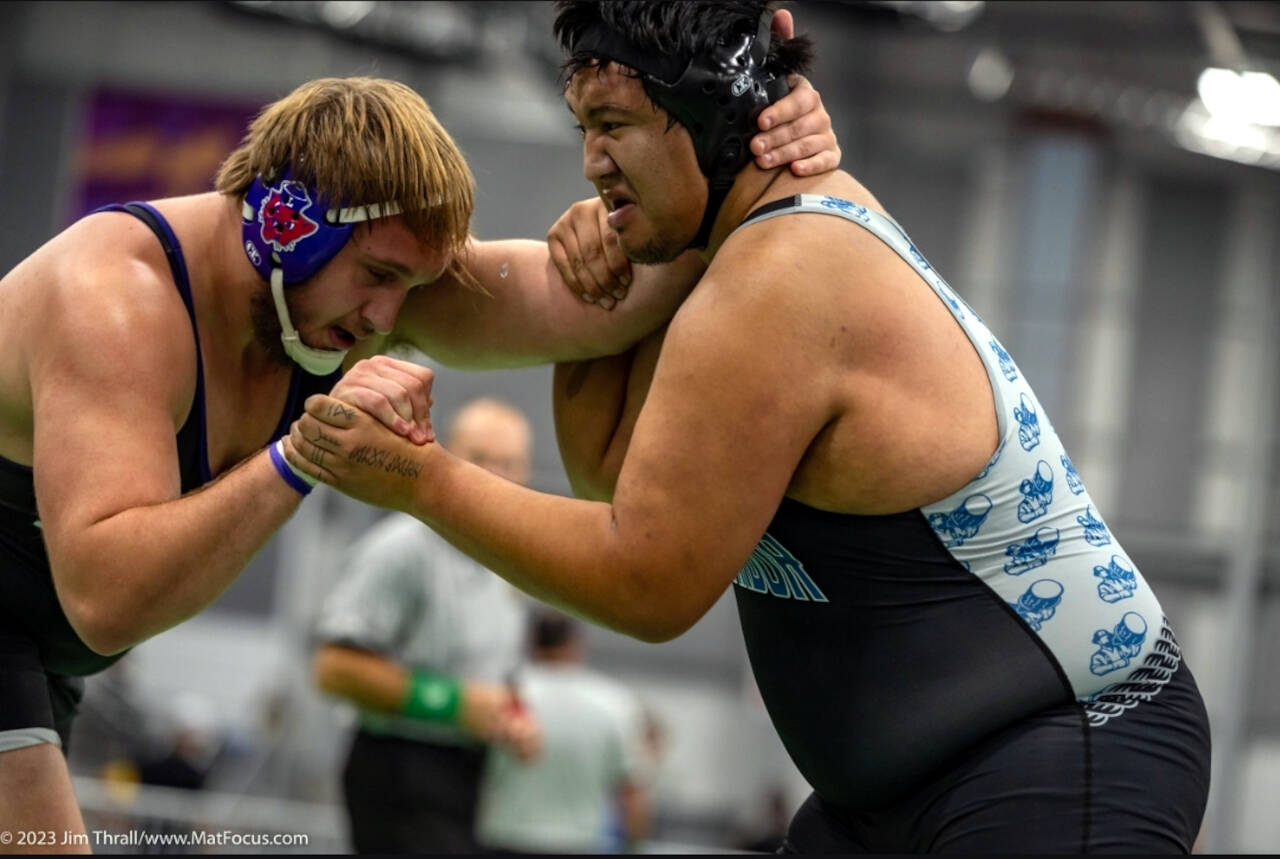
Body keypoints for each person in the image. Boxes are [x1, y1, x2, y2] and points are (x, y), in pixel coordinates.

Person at [288, 1, 1213, 853]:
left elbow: (645, 580)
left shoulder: (783, 275)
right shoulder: (727, 251)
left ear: (711, 122)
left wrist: (420, 479)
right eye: (585, 130)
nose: (590, 162)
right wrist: (601, 297)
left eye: (613, 128)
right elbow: (613, 477)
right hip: (908, 781)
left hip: (1075, 736)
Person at [0, 66, 841, 846]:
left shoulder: (334, 281)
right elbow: (105, 600)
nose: (386, 316)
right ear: (283, 223)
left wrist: (746, 162)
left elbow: (591, 307)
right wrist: (301, 457)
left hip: (44, 642)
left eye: (410, 285)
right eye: (377, 275)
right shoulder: (116, 303)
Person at [312, 397, 538, 854]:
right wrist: (452, 703)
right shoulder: (402, 549)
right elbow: (334, 668)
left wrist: (516, 718)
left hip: (470, 772)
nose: (496, 474)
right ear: (447, 456)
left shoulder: (510, 564)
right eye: (480, 458)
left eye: (510, 462)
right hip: (399, 768)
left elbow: (493, 672)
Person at [476, 610, 650, 855]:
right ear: (578, 644)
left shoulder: (500, 694)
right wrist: (633, 847)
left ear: (531, 641)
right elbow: (633, 794)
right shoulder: (616, 703)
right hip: (579, 843)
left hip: (503, 839)